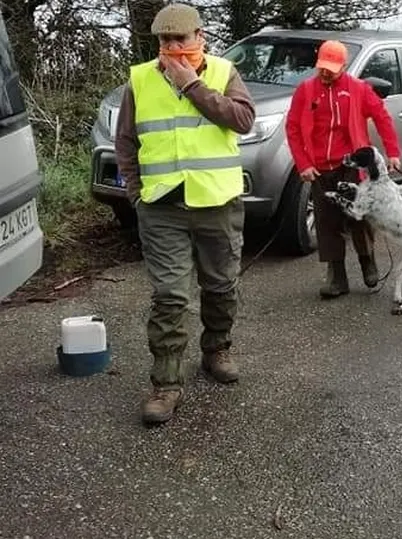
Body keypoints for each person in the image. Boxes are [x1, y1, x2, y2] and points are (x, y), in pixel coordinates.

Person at [114, 3, 257, 424]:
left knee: (220, 285)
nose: (172, 48)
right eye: (164, 40)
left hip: (217, 201)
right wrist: (136, 194)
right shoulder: (139, 79)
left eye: (180, 39)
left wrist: (192, 85)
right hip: (161, 206)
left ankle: (216, 349)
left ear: (200, 37)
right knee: (170, 296)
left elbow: (243, 120)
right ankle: (166, 384)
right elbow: (126, 143)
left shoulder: (222, 72)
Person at [285, 40, 402, 299]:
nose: (325, 73)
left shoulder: (358, 89)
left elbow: (382, 117)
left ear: (344, 66)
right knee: (327, 224)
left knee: (358, 218)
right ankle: (337, 277)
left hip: (351, 165)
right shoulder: (305, 90)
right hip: (319, 169)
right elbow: (292, 129)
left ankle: (367, 261)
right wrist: (303, 164)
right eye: (322, 67)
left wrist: (393, 152)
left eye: (332, 69)